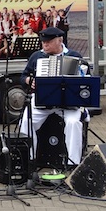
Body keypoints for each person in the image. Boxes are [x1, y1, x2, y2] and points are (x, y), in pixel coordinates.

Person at [20, 26, 86, 165]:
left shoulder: (74, 56)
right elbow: (24, 76)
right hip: (43, 102)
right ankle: (29, 161)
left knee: (74, 123)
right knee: (26, 121)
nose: (45, 44)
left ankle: (73, 164)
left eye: (48, 41)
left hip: (69, 104)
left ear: (60, 40)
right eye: (43, 41)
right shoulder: (37, 56)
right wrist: (29, 81)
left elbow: (85, 81)